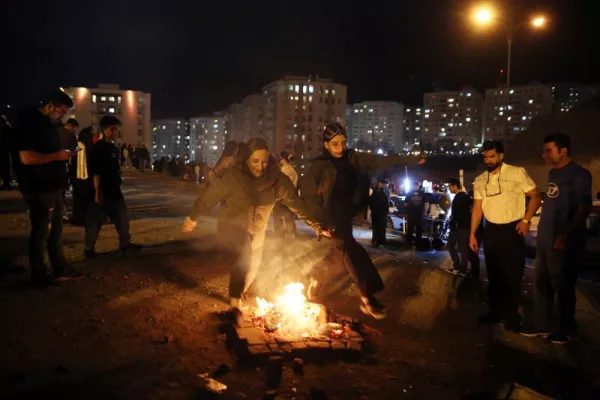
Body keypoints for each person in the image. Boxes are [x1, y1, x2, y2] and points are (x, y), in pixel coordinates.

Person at [181, 138, 327, 310]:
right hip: (232, 227)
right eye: (255, 161)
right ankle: (235, 299)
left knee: (253, 268)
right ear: (246, 160)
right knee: (243, 255)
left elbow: (298, 205)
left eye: (264, 162)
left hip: (257, 233)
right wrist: (193, 216)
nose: (260, 166)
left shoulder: (277, 182)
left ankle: (240, 293)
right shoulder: (233, 178)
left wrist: (317, 224)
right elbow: (209, 196)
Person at [302, 122, 423, 319]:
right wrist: (320, 222)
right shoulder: (318, 165)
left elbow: (380, 160)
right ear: (326, 144)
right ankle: (367, 298)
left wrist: (410, 159)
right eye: (335, 144)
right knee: (350, 250)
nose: (340, 148)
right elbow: (309, 196)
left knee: (339, 257)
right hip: (330, 217)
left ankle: (316, 276)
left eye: (343, 143)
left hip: (346, 215)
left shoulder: (353, 158)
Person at [521, 134, 592, 344]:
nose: (544, 155)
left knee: (563, 286)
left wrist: (566, 234)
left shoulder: (580, 175)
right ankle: (542, 325)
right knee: (541, 284)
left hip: (563, 242)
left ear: (564, 150)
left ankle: (565, 327)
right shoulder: (553, 173)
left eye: (548, 150)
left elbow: (584, 207)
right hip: (544, 240)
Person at [470, 140, 541, 332]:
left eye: (492, 156)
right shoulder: (480, 180)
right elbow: (477, 209)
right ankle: (495, 312)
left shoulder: (517, 173)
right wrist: (472, 234)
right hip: (491, 230)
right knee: (493, 275)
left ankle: (511, 315)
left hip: (512, 230)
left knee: (512, 275)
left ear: (501, 156)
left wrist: (526, 220)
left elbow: (535, 196)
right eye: (485, 156)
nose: (488, 160)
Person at [14, 90, 80, 287]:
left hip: (54, 185)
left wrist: (64, 155)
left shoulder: (50, 124)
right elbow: (27, 158)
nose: (63, 114)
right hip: (39, 186)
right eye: (62, 110)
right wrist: (58, 156)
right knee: (42, 230)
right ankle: (38, 274)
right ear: (51, 104)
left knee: (56, 229)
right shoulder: (29, 122)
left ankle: (59, 267)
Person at [85, 116, 142, 258]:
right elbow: (95, 172)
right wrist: (97, 192)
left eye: (116, 129)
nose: (115, 132)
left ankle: (125, 245)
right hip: (102, 190)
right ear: (105, 130)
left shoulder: (112, 147)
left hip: (114, 189)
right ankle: (89, 249)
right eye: (112, 129)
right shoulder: (98, 148)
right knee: (96, 220)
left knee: (122, 218)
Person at [70, 127, 95, 226]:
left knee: (78, 200)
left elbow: (72, 161)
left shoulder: (76, 146)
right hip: (88, 179)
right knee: (87, 200)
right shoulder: (91, 147)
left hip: (77, 179)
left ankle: (79, 219)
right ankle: (87, 219)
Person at [446, 178, 471, 274]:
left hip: (458, 227)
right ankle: (463, 269)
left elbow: (458, 214)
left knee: (451, 246)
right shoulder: (464, 196)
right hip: (463, 226)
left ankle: (458, 267)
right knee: (463, 248)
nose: (449, 189)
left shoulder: (460, 197)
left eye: (450, 187)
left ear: (455, 186)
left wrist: (453, 223)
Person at [273, 151, 299, 238]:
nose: (279, 160)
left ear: (283, 159)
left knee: (278, 217)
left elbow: (281, 185)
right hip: (289, 198)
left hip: (282, 198)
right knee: (288, 217)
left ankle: (280, 236)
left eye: (280, 158)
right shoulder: (291, 169)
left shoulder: (286, 170)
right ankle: (291, 234)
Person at [404, 184, 429, 250]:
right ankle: (414, 246)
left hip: (416, 214)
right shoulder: (420, 193)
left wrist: (425, 212)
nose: (414, 186)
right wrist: (425, 212)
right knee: (414, 230)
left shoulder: (410, 193)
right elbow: (426, 203)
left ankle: (412, 246)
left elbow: (426, 203)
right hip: (415, 214)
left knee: (414, 230)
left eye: (415, 185)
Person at [369, 179, 390, 248]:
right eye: (384, 184)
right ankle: (375, 243)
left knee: (381, 229)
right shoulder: (375, 192)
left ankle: (381, 243)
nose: (385, 186)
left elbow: (387, 203)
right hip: (377, 213)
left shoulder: (386, 192)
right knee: (376, 228)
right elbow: (371, 202)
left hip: (382, 214)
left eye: (386, 185)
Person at [0, 115, 14, 190]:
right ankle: (6, 183)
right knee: (5, 168)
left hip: (4, 151)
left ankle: (6, 183)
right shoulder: (6, 128)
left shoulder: (5, 129)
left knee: (5, 168)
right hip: (4, 151)